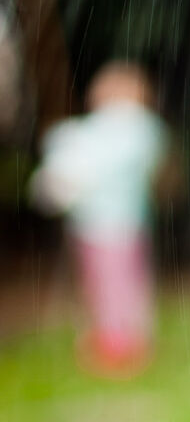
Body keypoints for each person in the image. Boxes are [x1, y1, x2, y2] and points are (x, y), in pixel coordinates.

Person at [30, 60, 166, 375]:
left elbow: (109, 159)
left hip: (119, 225)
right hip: (92, 225)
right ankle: (112, 336)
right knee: (101, 283)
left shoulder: (137, 132)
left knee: (119, 283)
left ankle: (122, 344)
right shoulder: (99, 132)